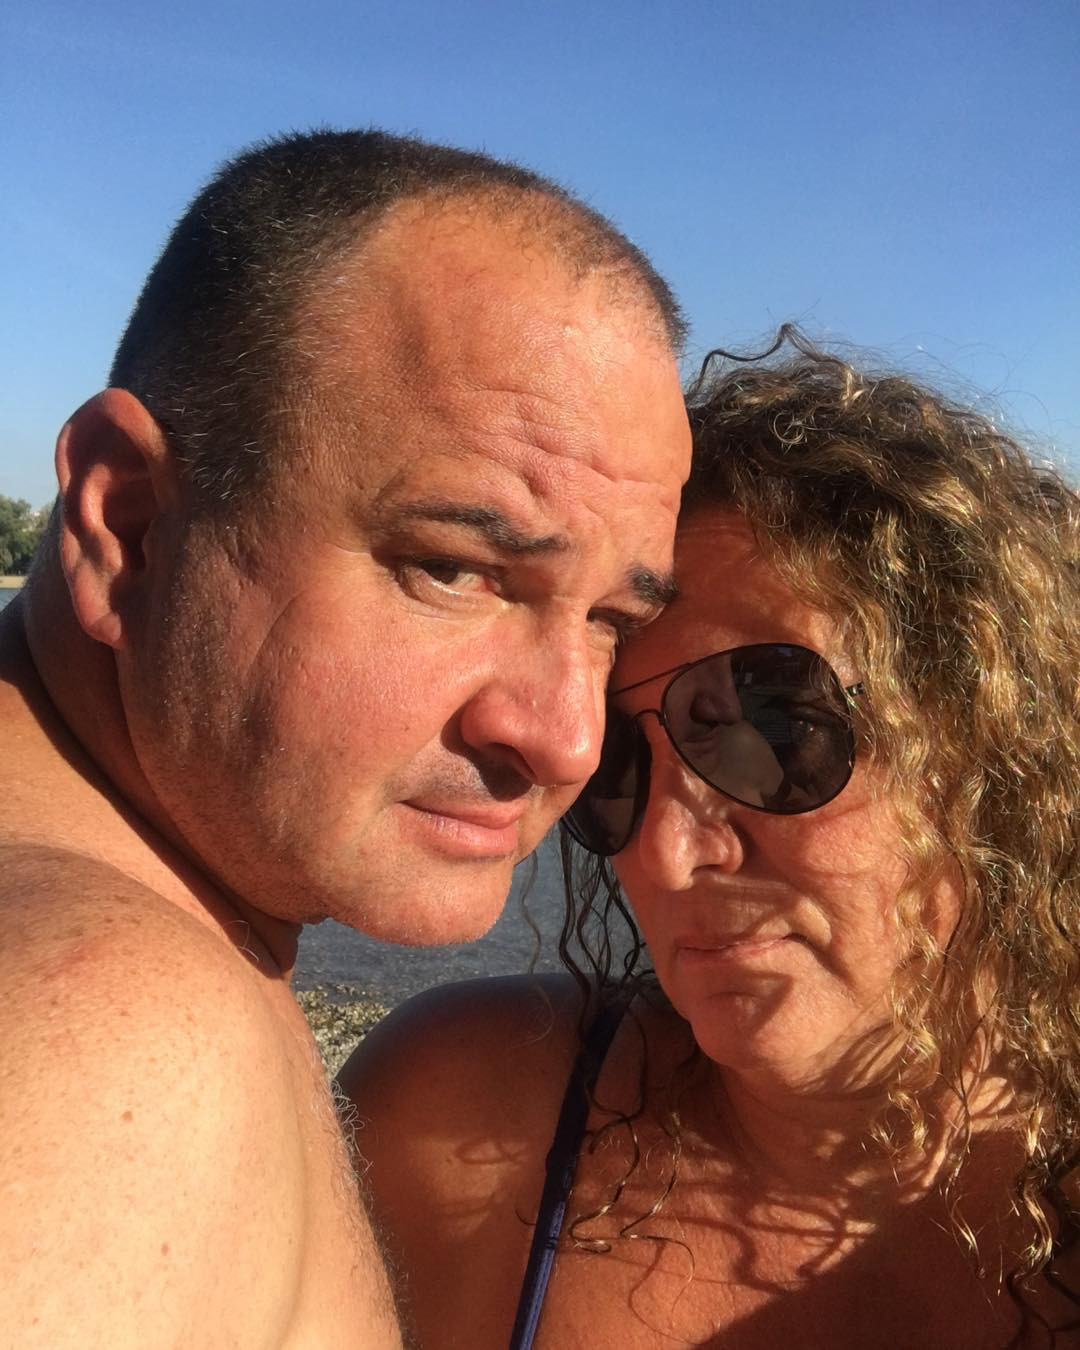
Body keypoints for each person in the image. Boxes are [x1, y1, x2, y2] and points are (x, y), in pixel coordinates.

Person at [0, 129, 691, 1347]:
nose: (569, 740)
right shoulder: (106, 1039)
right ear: (130, 526)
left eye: (611, 622)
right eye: (455, 570)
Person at [342, 332, 1079, 1348]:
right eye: (615, 767)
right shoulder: (450, 1129)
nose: (664, 855)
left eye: (772, 726)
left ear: (990, 733)